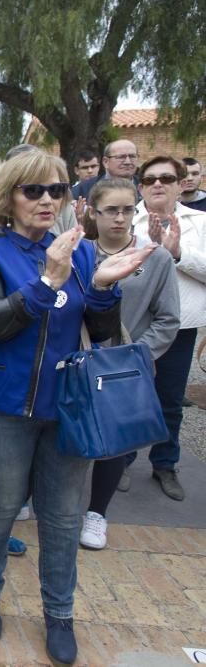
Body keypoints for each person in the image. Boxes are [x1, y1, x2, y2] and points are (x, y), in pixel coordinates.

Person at [0, 150, 154, 665]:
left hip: (68, 407)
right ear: (9, 197)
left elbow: (104, 331)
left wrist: (106, 289)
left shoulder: (83, 252)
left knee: (64, 519)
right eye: (34, 190)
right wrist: (47, 282)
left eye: (57, 190)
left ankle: (60, 615)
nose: (48, 200)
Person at [77, 178, 178, 548]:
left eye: (127, 210)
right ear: (93, 212)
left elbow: (168, 318)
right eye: (111, 210)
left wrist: (138, 355)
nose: (120, 218)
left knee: (115, 442)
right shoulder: (79, 253)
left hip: (124, 365)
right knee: (64, 432)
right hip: (78, 360)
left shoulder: (157, 258)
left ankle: (97, 513)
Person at [127, 156, 206, 501]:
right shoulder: (128, 218)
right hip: (135, 325)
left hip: (180, 326)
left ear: (179, 184)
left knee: (170, 401)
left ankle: (165, 464)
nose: (158, 184)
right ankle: (121, 460)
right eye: (151, 178)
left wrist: (178, 254)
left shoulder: (200, 222)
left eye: (167, 178)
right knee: (127, 394)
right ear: (141, 185)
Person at [72, 139, 140, 201]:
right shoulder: (82, 190)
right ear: (105, 162)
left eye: (132, 156)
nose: (127, 162)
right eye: (121, 157)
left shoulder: (146, 186)